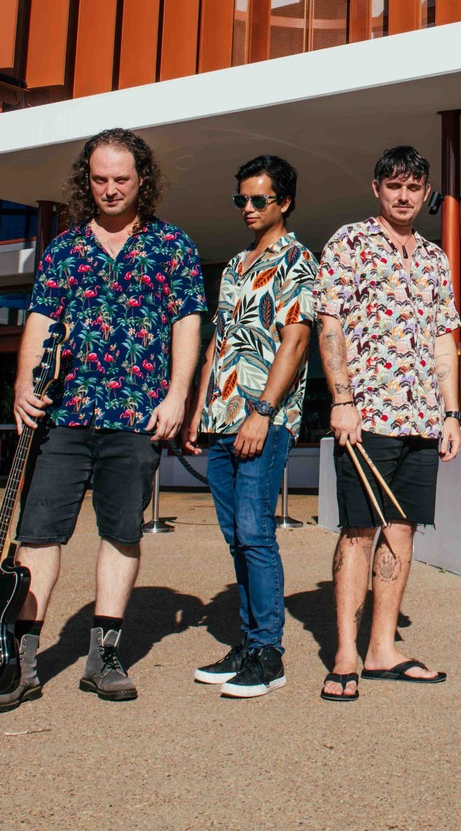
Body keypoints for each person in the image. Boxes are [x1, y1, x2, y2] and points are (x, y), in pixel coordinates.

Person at [0, 128, 207, 714]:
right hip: (64, 414)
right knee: (38, 534)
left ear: (142, 180)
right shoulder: (65, 250)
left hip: (136, 413)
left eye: (120, 179)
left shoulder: (171, 246)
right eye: (99, 179)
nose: (109, 189)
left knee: (121, 532)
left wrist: (177, 395)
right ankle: (24, 657)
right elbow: (42, 323)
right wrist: (24, 385)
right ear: (87, 180)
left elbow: (186, 324)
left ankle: (105, 653)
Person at [314, 145, 461, 702]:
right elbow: (329, 324)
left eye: (414, 187)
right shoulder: (350, 242)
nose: (404, 196)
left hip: (422, 418)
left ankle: (382, 649)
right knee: (358, 528)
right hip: (367, 414)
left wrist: (452, 412)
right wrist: (342, 398)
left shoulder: (434, 258)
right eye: (394, 186)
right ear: (377, 188)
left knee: (401, 529)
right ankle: (346, 653)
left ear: (426, 194)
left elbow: (444, 339)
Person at [182, 155, 317, 699]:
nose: (248, 208)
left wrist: (262, 412)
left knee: (256, 534)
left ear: (283, 202)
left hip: (264, 419)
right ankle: (247, 641)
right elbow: (219, 342)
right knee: (237, 537)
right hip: (220, 418)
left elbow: (296, 339)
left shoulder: (298, 260)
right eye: (241, 199)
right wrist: (196, 411)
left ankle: (268, 653)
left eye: (259, 200)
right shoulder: (236, 266)